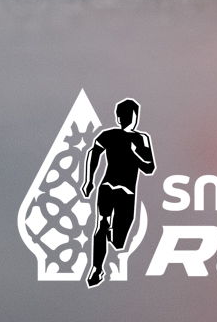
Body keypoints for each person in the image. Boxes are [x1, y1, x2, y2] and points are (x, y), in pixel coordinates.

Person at [82, 98, 155, 289]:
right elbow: (93, 153)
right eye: (123, 115)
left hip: (127, 193)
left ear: (135, 117)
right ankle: (97, 268)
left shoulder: (141, 139)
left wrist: (133, 154)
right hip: (108, 187)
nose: (126, 119)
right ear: (118, 117)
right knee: (102, 223)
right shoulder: (108, 135)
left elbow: (149, 167)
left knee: (118, 241)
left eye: (130, 115)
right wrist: (89, 180)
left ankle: (110, 236)